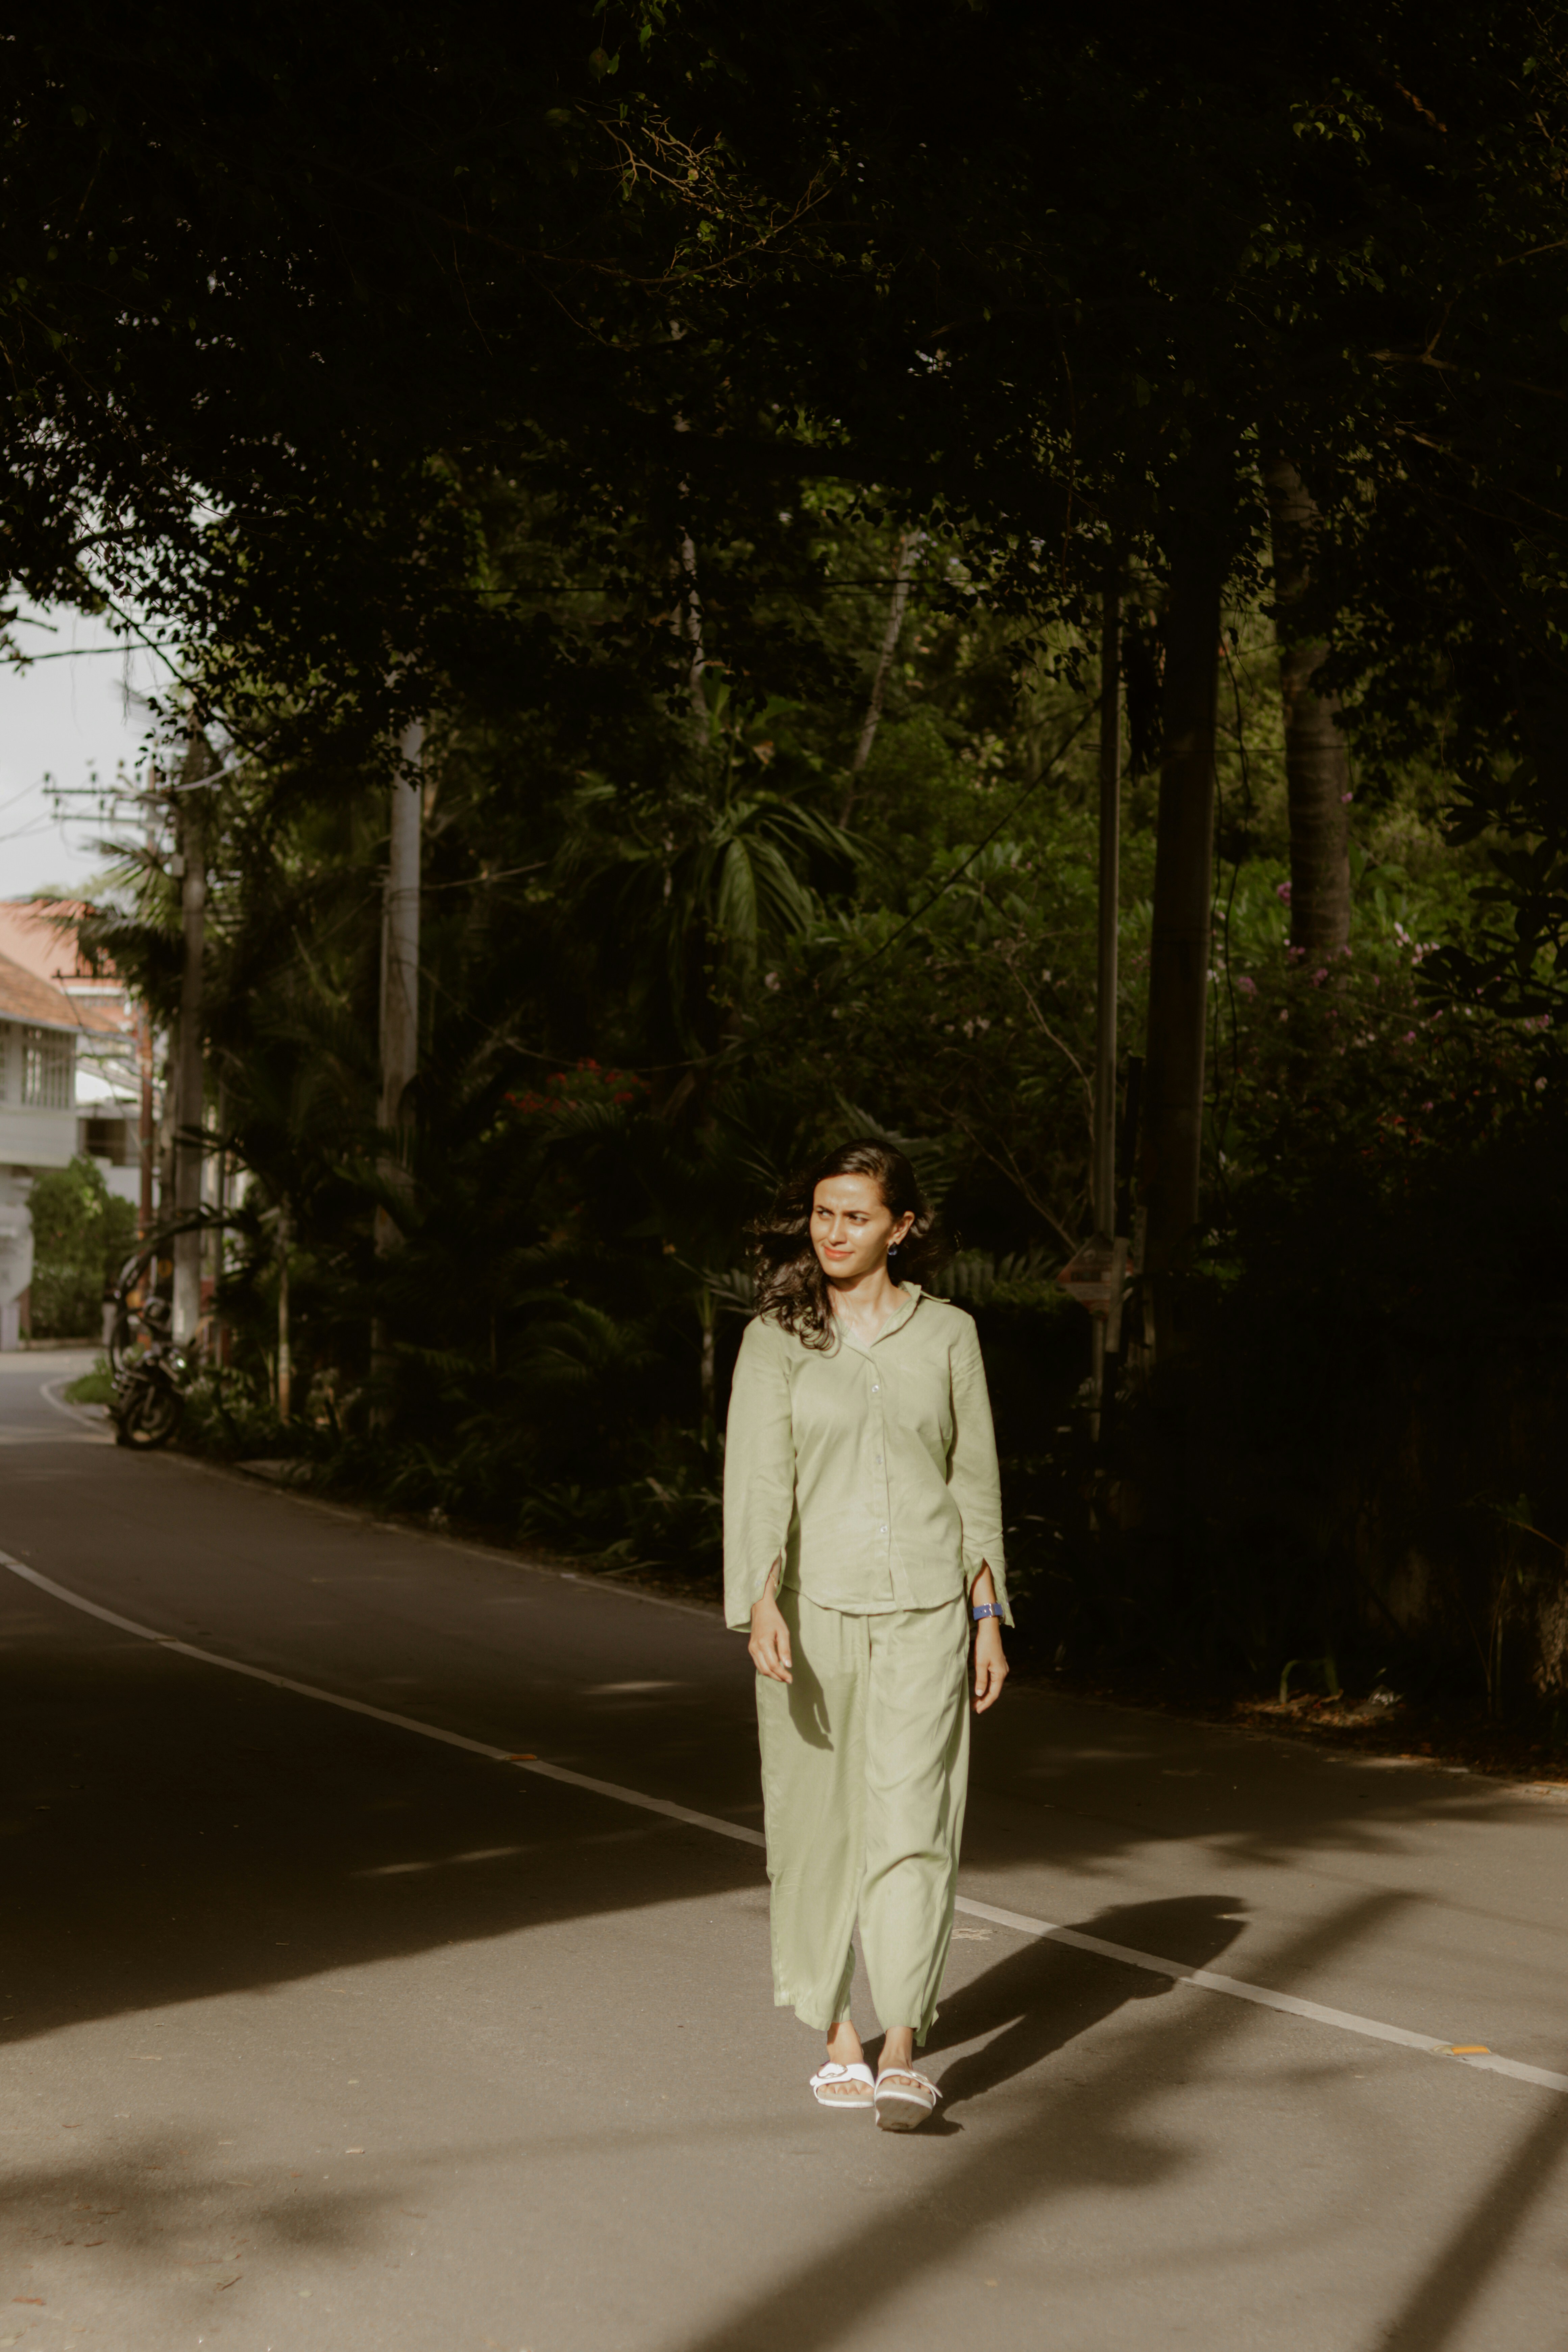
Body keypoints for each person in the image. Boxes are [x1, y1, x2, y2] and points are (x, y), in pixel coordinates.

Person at [723, 1137, 1010, 2131]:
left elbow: (973, 1485)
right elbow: (760, 1484)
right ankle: (834, 2030)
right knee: (816, 1828)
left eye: (856, 1215)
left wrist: (987, 1617)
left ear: (903, 1226)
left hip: (929, 1611)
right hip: (812, 1614)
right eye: (823, 1213)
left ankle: (899, 2047)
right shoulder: (777, 1341)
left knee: (915, 1824)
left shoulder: (950, 1338)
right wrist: (760, 1600)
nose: (834, 1232)